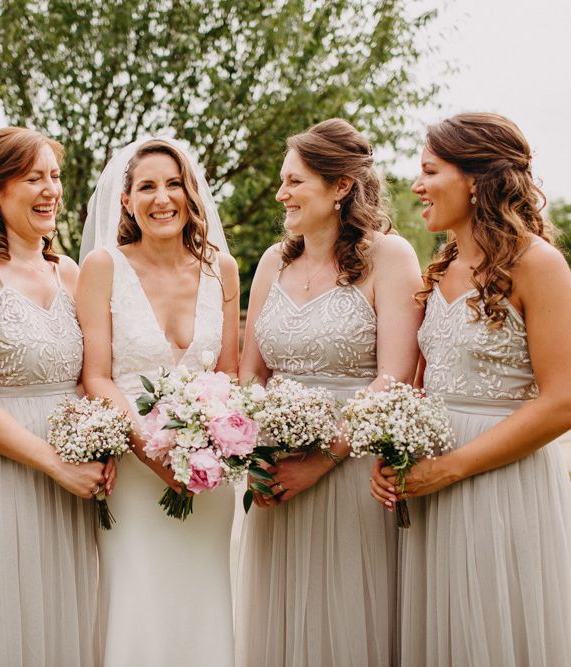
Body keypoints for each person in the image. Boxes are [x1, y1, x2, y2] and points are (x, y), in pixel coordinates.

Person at [371, 112, 571, 666]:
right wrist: (395, 450)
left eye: (430, 170)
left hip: (500, 482)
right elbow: (422, 379)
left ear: (476, 180)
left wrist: (453, 467)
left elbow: (562, 402)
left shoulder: (540, 265)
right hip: (430, 483)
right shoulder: (445, 265)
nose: (416, 186)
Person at [235, 119, 423, 666]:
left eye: (294, 181)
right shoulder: (274, 260)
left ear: (340, 187)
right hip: (276, 478)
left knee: (348, 627)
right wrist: (253, 456)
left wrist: (324, 459)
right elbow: (251, 375)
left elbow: (393, 376)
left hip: (350, 474)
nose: (281, 194)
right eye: (282, 182)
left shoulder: (390, 256)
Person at [0, 127, 109, 666]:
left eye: (54, 176)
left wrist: (93, 444)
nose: (50, 190)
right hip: (5, 476)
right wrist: (54, 464)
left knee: (68, 622)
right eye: (33, 178)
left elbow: (91, 377)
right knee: (8, 622)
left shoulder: (71, 273)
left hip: (73, 482)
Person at [77, 137, 240, 666]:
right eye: (146, 186)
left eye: (173, 184)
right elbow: (97, 378)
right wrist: (152, 451)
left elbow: (229, 373)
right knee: (138, 601)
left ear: (191, 196)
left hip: (206, 477)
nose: (161, 198)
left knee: (203, 603)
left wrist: (206, 450)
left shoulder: (223, 269)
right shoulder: (103, 267)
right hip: (132, 470)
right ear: (125, 201)